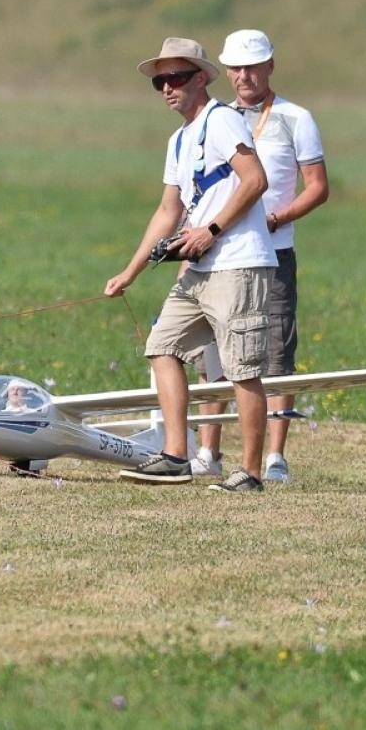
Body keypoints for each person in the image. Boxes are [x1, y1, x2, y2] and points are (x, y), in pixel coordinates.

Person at [104, 37, 276, 493]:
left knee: (241, 369)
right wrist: (131, 271)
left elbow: (255, 179)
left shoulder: (221, 122)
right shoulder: (178, 140)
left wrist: (211, 230)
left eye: (176, 78)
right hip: (199, 271)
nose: (167, 88)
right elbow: (167, 211)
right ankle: (176, 457)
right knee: (162, 345)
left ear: (201, 78)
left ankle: (251, 473)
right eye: (160, 81)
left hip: (239, 264)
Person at [190, 29, 330, 485]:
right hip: (222, 252)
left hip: (274, 253)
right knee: (215, 352)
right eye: (236, 68)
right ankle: (207, 450)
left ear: (271, 66)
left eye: (253, 66)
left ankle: (274, 457)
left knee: (274, 352)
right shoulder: (217, 118)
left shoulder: (295, 118)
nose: (244, 76)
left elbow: (318, 188)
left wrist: (277, 219)